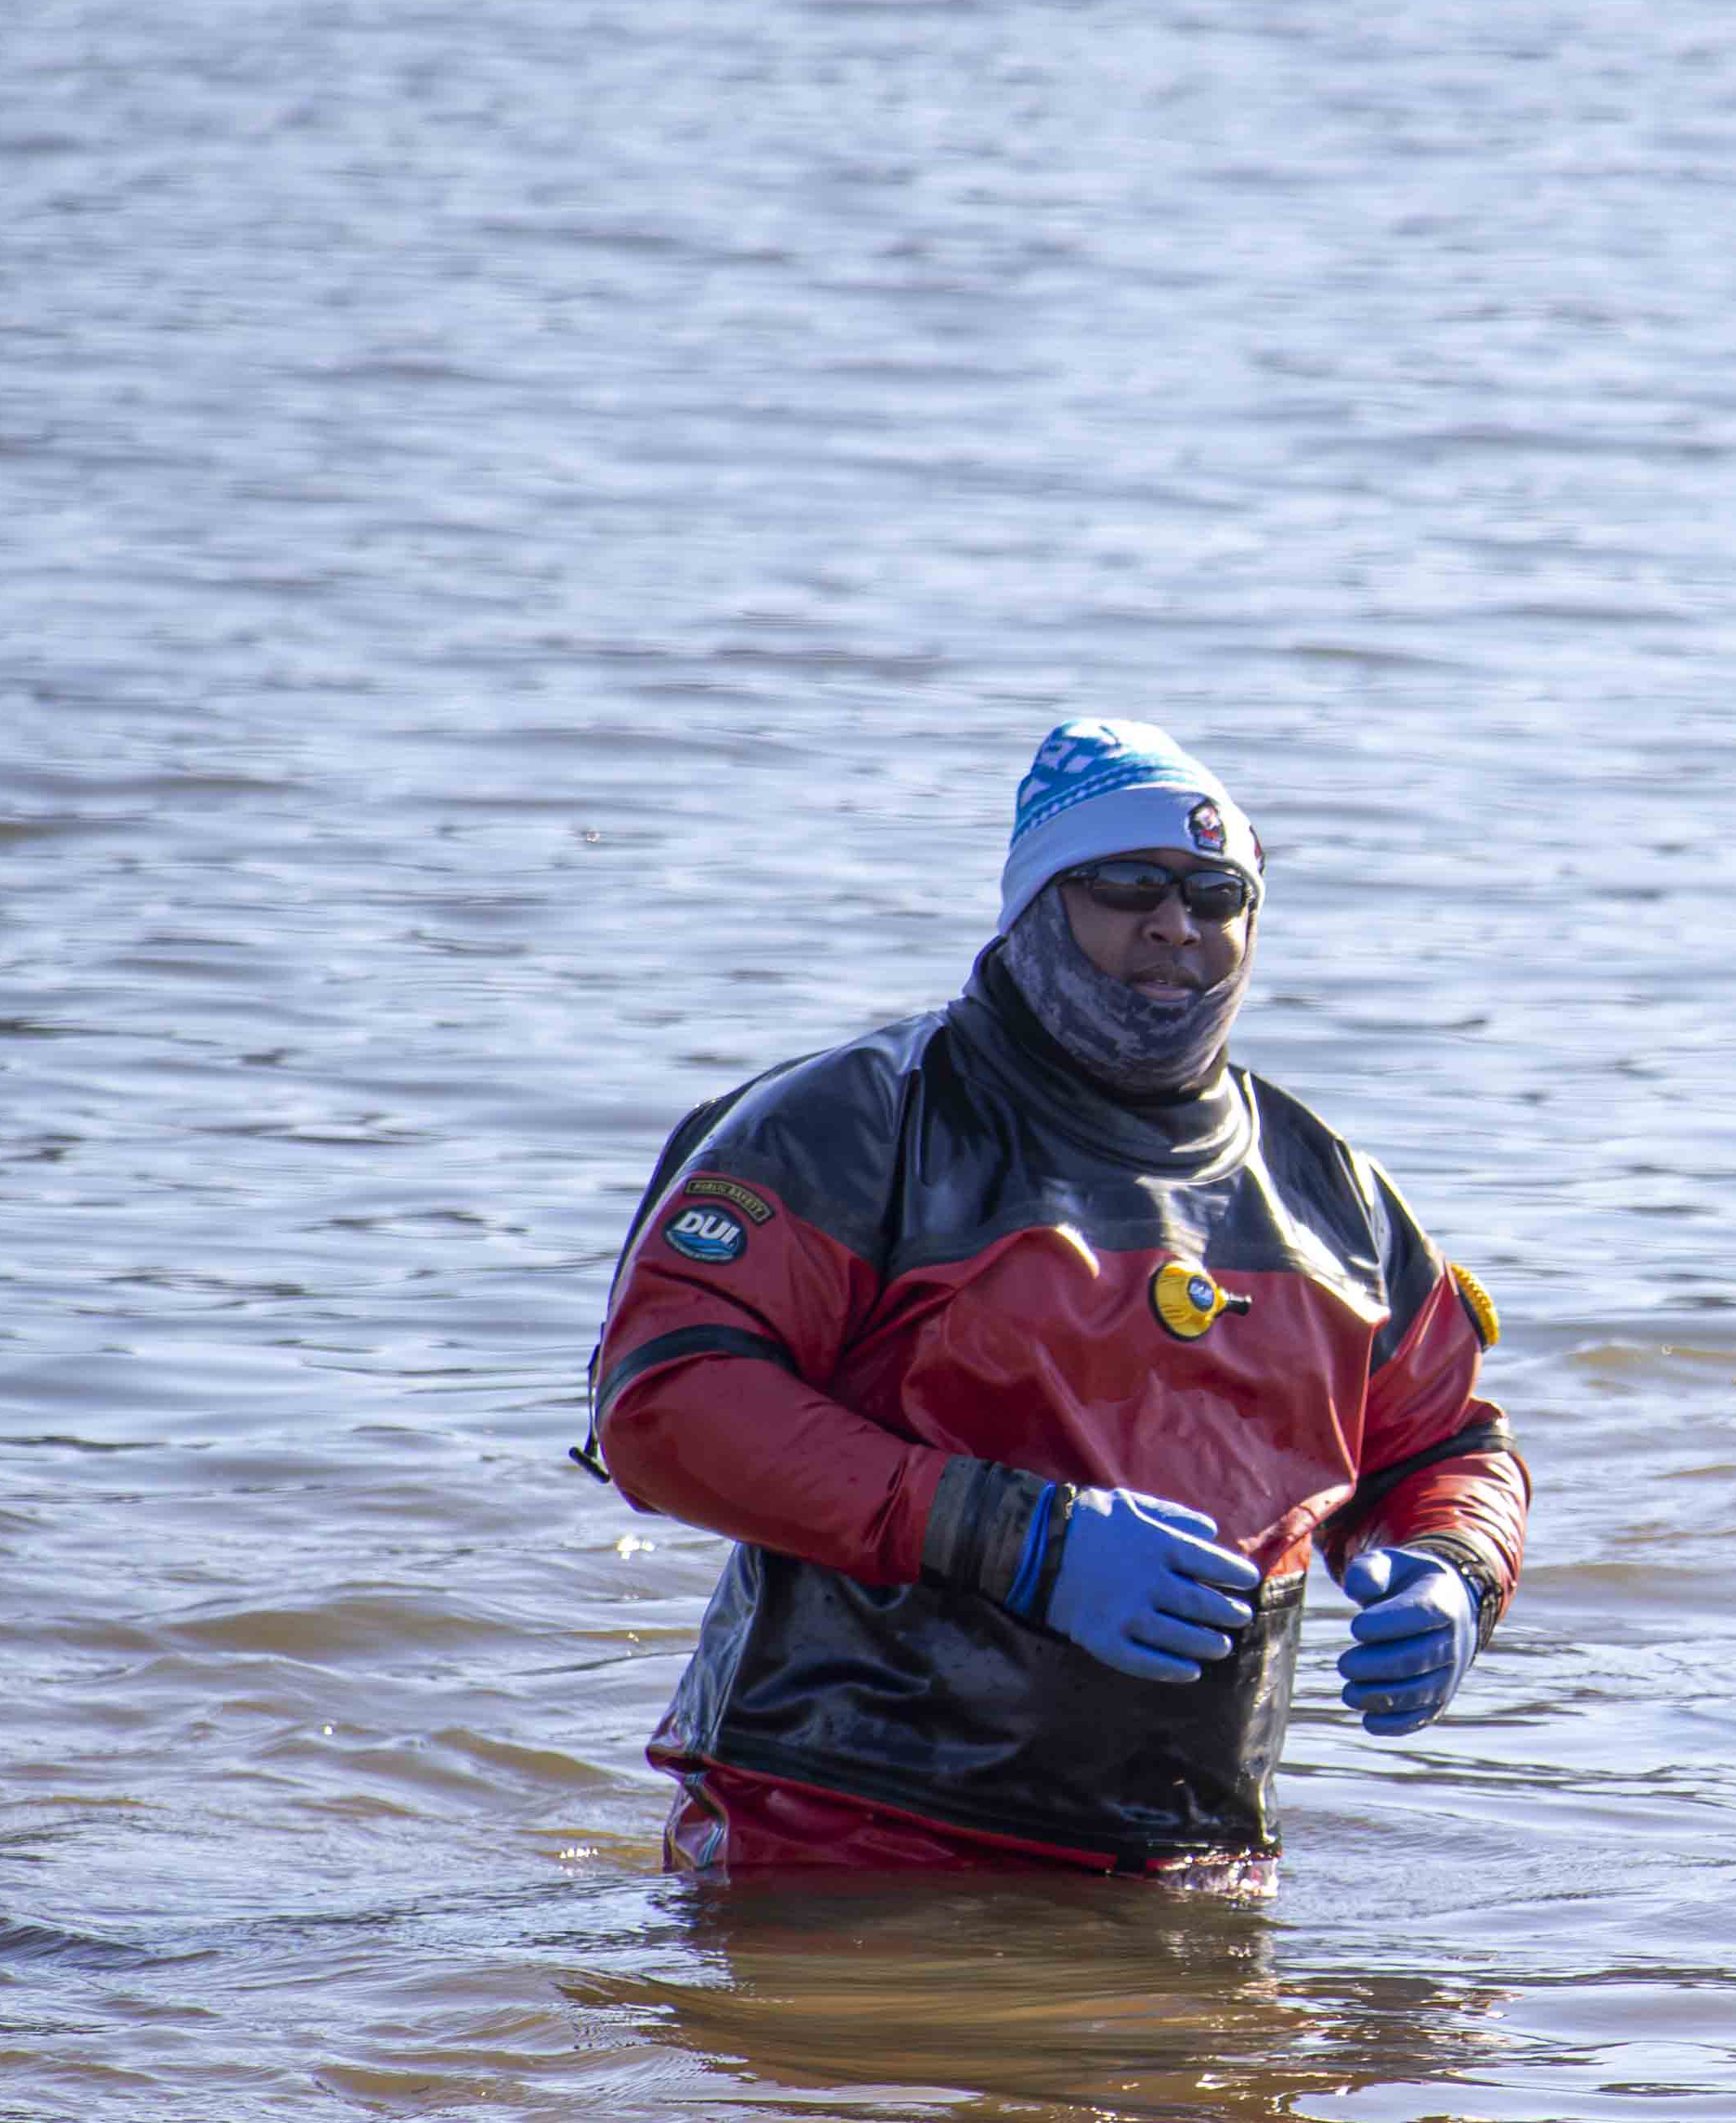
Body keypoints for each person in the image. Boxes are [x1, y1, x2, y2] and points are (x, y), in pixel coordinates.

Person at [582, 720, 1529, 1879]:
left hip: (1188, 1865)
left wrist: (1451, 1572)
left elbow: (1443, 1442)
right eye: (1126, 886)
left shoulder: (1333, 1194)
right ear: (1035, 904)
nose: (1176, 924)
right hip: (836, 1840)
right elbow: (666, 1406)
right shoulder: (854, 1125)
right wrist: (1022, 1540)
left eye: (1216, 893)